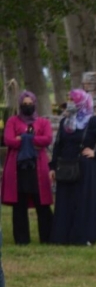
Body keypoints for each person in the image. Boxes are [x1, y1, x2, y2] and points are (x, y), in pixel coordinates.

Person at [49, 89, 96, 245]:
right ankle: (63, 237)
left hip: (85, 167)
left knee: (83, 201)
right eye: (69, 99)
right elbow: (58, 145)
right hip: (66, 166)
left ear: (82, 102)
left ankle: (84, 237)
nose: (71, 103)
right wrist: (52, 166)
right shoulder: (65, 122)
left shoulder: (93, 122)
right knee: (65, 201)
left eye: (73, 100)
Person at [1, 90, 53, 244]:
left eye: (30, 104)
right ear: (20, 105)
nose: (28, 106)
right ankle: (22, 240)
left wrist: (23, 139)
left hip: (38, 168)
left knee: (42, 204)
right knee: (19, 205)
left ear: (35, 104)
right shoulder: (12, 121)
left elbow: (48, 139)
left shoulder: (43, 122)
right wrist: (33, 141)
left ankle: (48, 237)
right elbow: (9, 140)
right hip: (18, 169)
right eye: (25, 104)